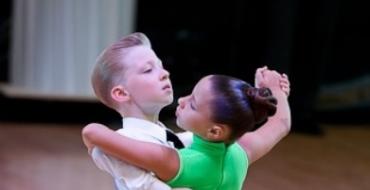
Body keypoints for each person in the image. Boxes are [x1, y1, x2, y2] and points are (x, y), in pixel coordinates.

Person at [82, 68, 291, 190]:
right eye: (190, 94)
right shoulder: (242, 151)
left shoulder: (176, 162)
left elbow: (92, 132)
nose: (181, 100)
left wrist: (93, 139)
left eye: (192, 104)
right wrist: (275, 91)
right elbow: (281, 123)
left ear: (215, 131)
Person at [85, 32, 192, 190]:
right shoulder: (118, 144)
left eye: (161, 67)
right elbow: (146, 185)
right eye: (148, 70)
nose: (165, 74)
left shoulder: (165, 135)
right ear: (121, 93)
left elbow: (185, 142)